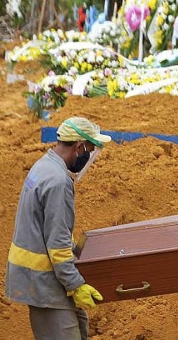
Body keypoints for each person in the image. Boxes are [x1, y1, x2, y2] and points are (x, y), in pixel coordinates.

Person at [5, 117, 111, 339]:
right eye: (90, 149)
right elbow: (58, 245)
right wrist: (76, 284)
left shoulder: (44, 165)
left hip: (41, 279)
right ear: (79, 146)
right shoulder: (58, 182)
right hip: (45, 283)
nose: (89, 156)